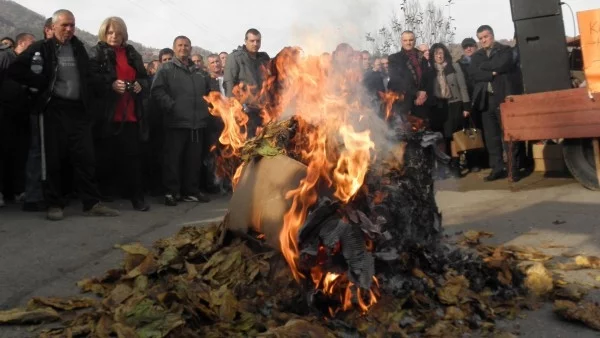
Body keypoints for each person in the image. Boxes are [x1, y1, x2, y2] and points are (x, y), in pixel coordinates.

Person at [7, 9, 120, 220]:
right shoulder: (42, 48)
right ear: (53, 26)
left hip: (78, 110)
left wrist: (108, 83)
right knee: (54, 159)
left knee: (86, 157)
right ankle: (54, 204)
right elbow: (15, 70)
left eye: (72, 25)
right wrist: (41, 84)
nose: (69, 29)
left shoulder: (79, 48)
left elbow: (88, 76)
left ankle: (92, 203)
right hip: (54, 110)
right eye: (64, 25)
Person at [89, 16, 150, 211]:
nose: (114, 36)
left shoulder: (132, 53)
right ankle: (104, 195)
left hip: (130, 114)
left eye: (117, 32)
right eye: (110, 32)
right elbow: (90, 79)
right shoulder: (96, 52)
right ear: (104, 33)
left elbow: (145, 78)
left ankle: (137, 198)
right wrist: (111, 84)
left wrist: (141, 85)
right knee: (105, 157)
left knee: (133, 158)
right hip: (106, 115)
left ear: (124, 34)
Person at [151, 35, 214, 206]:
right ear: (174, 47)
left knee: (193, 160)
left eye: (186, 45)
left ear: (191, 48)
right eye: (180, 45)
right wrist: (171, 106)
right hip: (176, 122)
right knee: (173, 159)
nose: (183, 48)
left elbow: (210, 94)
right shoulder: (166, 69)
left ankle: (191, 191)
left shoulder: (200, 72)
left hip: (197, 123)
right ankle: (172, 192)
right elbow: (157, 91)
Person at [469, 25, 523, 182]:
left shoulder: (504, 50)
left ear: (492, 35)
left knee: (509, 134)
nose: (483, 40)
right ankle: (497, 168)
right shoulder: (477, 55)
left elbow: (503, 64)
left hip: (503, 98)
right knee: (491, 137)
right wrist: (491, 73)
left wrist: (484, 69)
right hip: (486, 100)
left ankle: (513, 169)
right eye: (480, 38)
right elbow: (473, 73)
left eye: (485, 37)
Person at [428, 43, 471, 179]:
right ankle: (445, 166)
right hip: (439, 106)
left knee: (454, 136)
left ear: (445, 54)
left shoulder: (454, 66)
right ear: (432, 56)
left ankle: (456, 164)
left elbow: (462, 86)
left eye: (441, 53)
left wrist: (466, 106)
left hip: (454, 104)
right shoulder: (430, 71)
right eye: (436, 54)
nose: (439, 56)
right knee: (443, 137)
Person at [223, 28, 270, 137]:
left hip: (263, 109)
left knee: (265, 142)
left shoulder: (263, 58)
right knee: (249, 145)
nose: (255, 44)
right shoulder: (235, 57)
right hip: (246, 110)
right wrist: (235, 108)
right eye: (252, 41)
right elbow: (228, 83)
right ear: (245, 41)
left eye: (258, 41)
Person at [387, 31, 433, 123]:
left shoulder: (421, 56)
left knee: (424, 131)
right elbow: (396, 80)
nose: (408, 42)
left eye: (411, 40)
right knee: (405, 133)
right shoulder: (394, 58)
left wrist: (423, 92)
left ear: (415, 41)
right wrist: (416, 93)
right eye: (405, 40)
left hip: (423, 102)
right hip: (405, 103)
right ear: (401, 41)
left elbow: (427, 76)